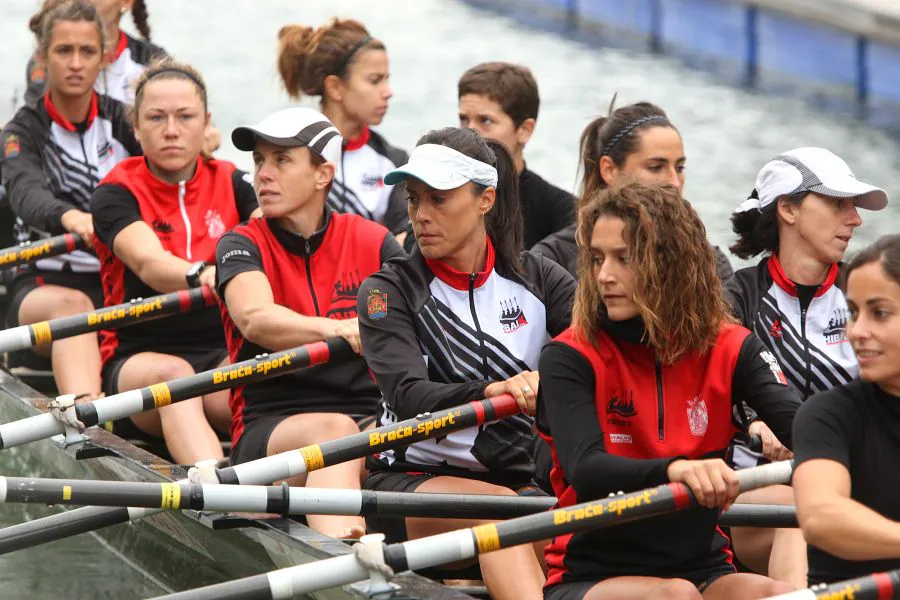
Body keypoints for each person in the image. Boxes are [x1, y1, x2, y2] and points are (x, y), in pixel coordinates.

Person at [538, 182, 800, 600]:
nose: (604, 275)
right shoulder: (571, 355)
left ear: (670, 263)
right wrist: (676, 469)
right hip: (592, 574)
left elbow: (804, 430)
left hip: (704, 568)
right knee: (676, 595)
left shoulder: (732, 347)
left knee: (782, 596)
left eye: (624, 258)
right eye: (597, 258)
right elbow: (587, 471)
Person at [357, 127, 576, 600]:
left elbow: (599, 356)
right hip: (409, 481)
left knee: (592, 532)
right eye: (414, 200)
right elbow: (407, 394)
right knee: (504, 517)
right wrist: (492, 392)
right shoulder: (388, 289)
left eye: (438, 199)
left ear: (486, 199)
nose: (420, 216)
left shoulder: (540, 279)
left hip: (516, 482)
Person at [216, 107, 404, 538]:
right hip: (270, 428)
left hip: (368, 419)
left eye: (281, 160)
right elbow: (255, 318)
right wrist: (335, 328)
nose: (262, 174)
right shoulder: (241, 243)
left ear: (323, 174)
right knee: (335, 433)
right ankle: (347, 554)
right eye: (259, 160)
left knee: (406, 438)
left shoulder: (373, 242)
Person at [725, 147, 888, 586]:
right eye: (839, 204)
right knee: (801, 511)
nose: (854, 219)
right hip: (759, 486)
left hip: (856, 478)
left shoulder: (868, 297)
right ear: (789, 209)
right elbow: (722, 384)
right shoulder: (735, 298)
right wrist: (756, 422)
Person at [90, 59, 259, 465]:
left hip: (221, 349)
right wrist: (200, 274)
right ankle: (222, 492)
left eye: (185, 117)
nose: (171, 130)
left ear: (206, 123)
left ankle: (286, 500)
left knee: (258, 383)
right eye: (156, 117)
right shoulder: (115, 192)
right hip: (138, 358)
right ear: (135, 126)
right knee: (176, 379)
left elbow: (269, 238)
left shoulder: (235, 182)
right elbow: (149, 264)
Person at [0, 0, 140, 397]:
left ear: (104, 58)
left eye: (87, 52)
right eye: (64, 51)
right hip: (42, 284)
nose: (76, 63)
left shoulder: (125, 122)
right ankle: (89, 426)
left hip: (120, 281)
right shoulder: (21, 132)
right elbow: (26, 193)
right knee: (75, 307)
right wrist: (71, 218)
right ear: (43, 58)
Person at [793, 234, 900, 585]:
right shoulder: (827, 414)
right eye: (853, 313)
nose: (857, 331)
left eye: (879, 313)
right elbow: (822, 518)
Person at [531, 101, 734, 281]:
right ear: (609, 170)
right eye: (655, 167)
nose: (675, 183)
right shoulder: (551, 261)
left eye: (679, 168)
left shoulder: (709, 262)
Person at [276, 18, 408, 240]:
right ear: (335, 87)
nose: (388, 92)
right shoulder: (287, 155)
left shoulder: (396, 162)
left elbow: (407, 237)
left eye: (387, 80)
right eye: (375, 81)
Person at [457, 62, 574, 249]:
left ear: (525, 130)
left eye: (485, 121)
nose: (469, 133)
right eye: (464, 120)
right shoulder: (442, 195)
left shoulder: (564, 211)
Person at [24, 0, 165, 105]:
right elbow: (36, 118)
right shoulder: (47, 60)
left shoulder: (152, 60)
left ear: (126, 2)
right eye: (65, 51)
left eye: (88, 52)